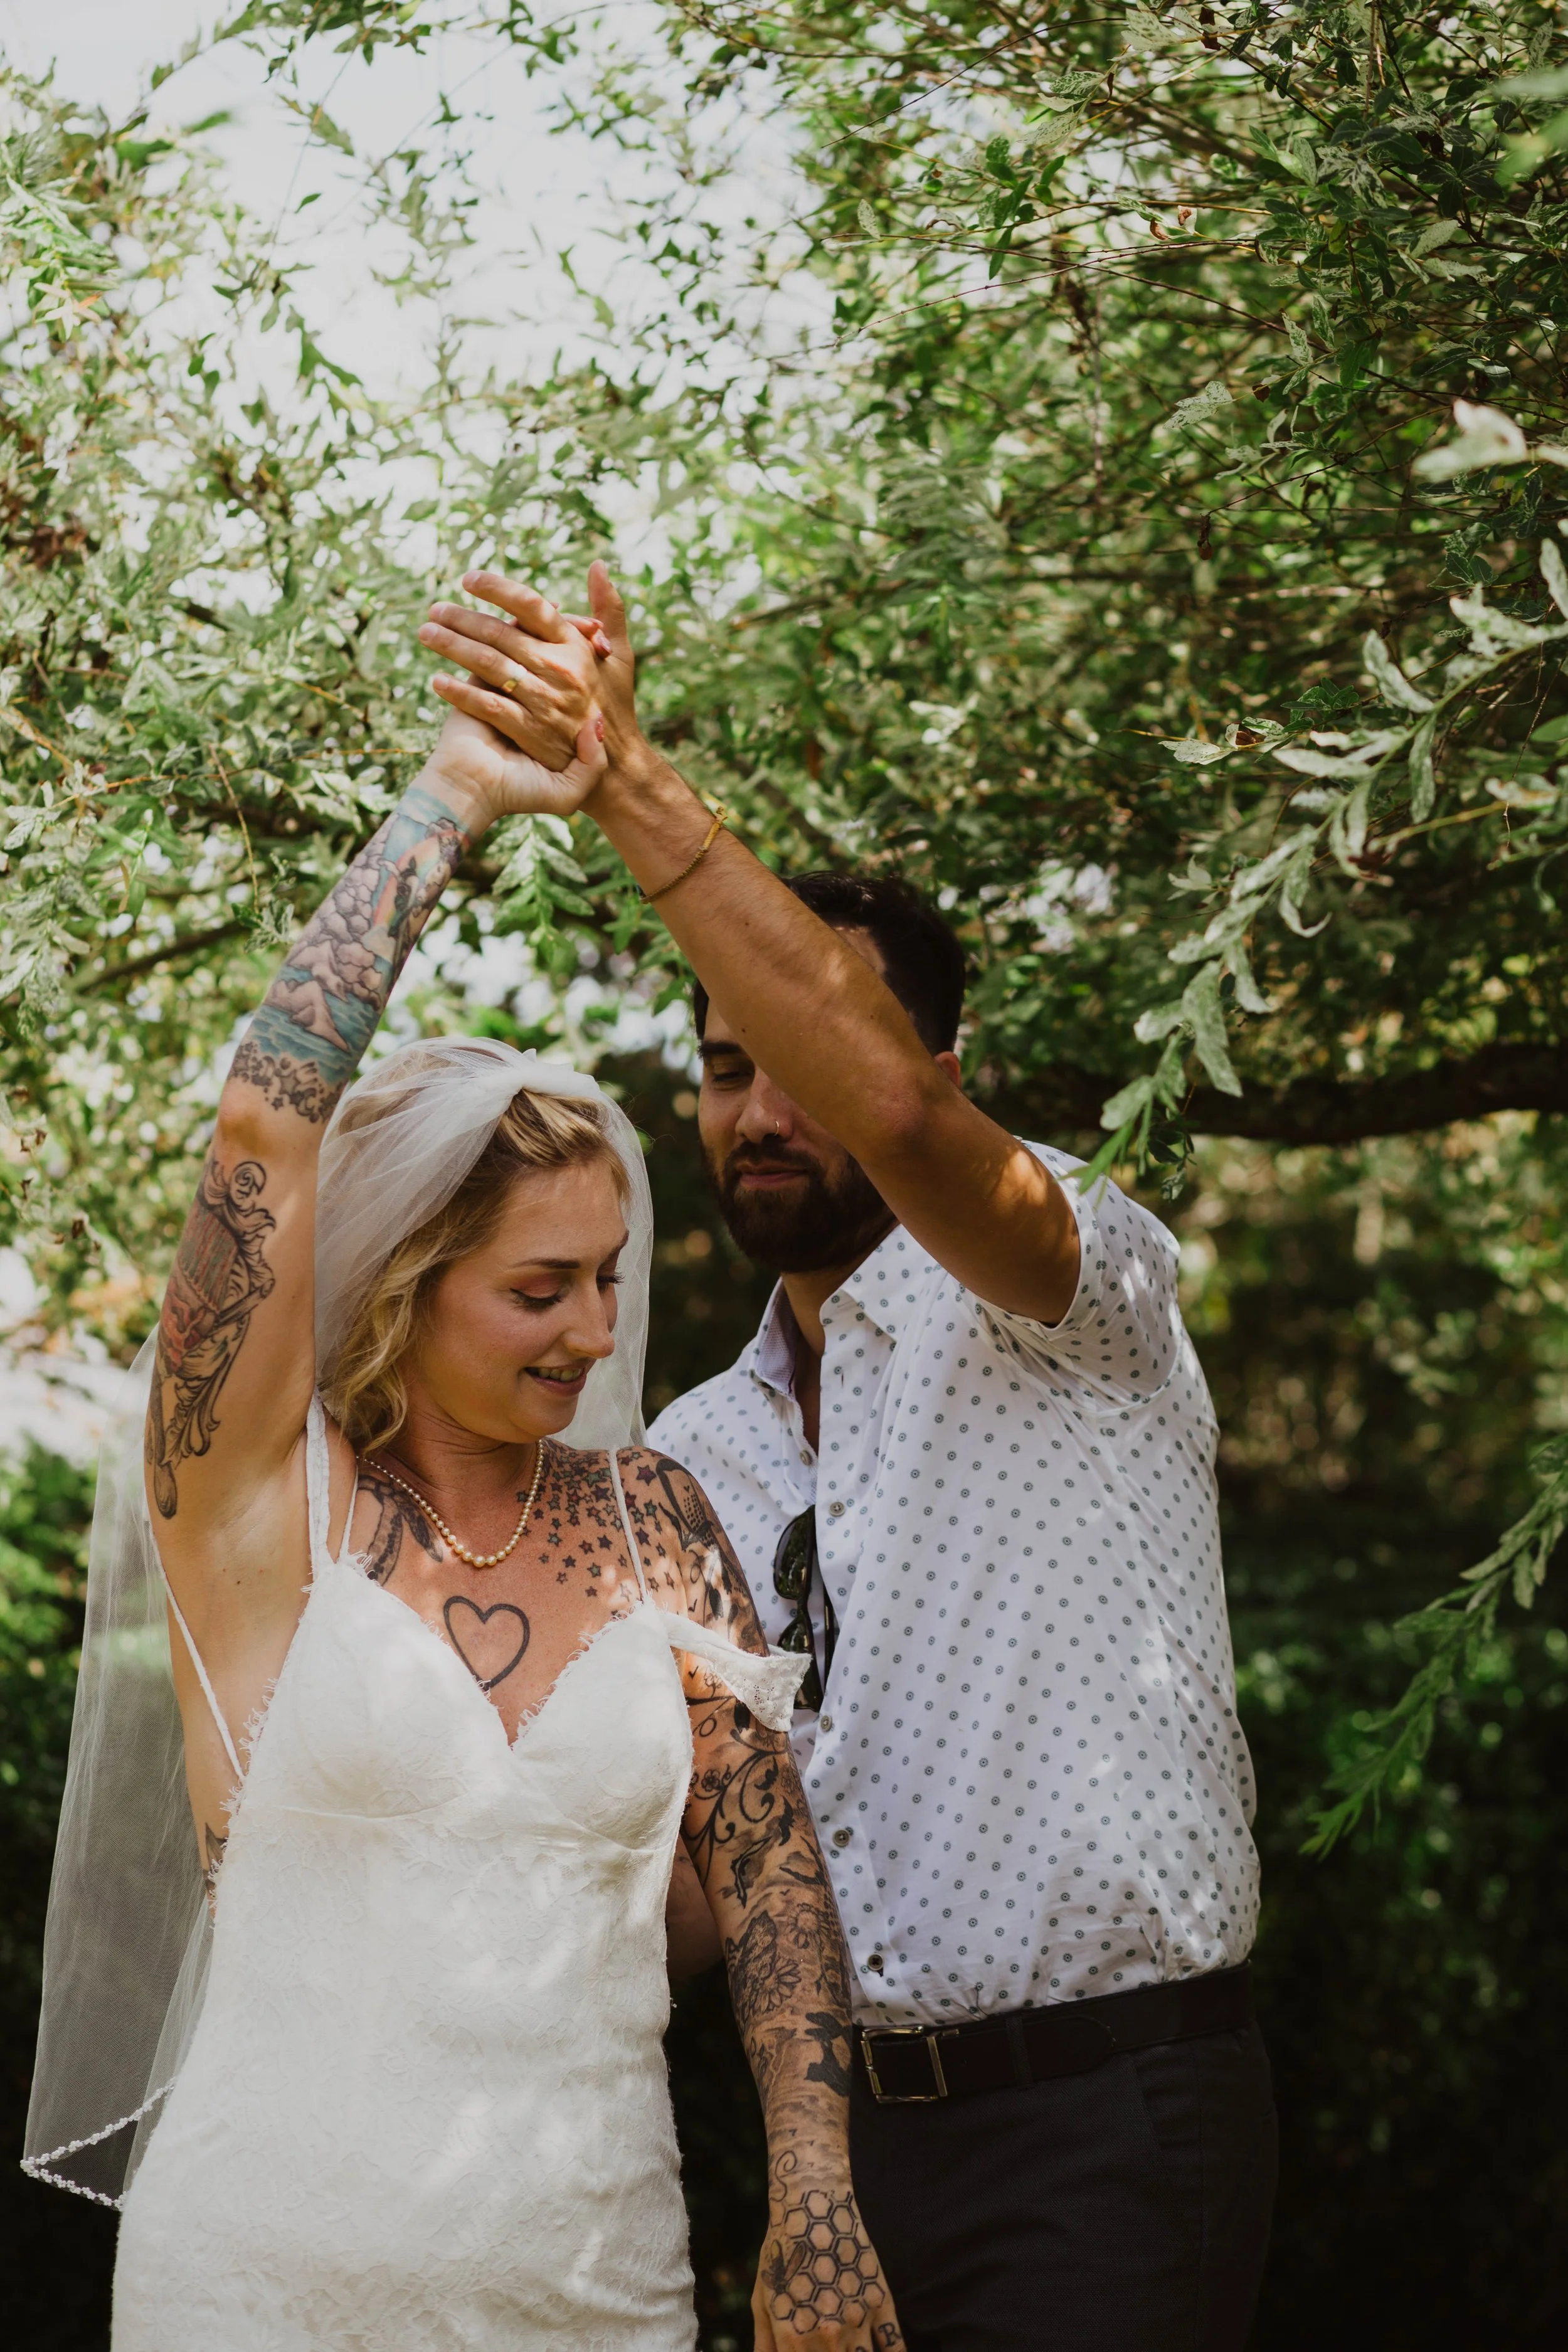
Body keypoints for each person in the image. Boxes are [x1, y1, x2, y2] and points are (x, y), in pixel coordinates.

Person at [423, 566, 1278, 2351]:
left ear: (938, 1066)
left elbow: (893, 1116)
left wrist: (623, 776)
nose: (762, 1108)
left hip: (1108, 2122)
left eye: (799, 1050)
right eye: (727, 1064)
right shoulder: (677, 1448)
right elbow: (702, 1881)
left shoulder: (1081, 1280)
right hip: (832, 2159)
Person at [23, 622, 903, 2352]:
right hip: (258, 2282)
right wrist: (461, 795)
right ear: (406, 1277)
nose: (595, 1327)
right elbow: (269, 1114)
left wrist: (814, 2189)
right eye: (538, 1286)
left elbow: (773, 1869)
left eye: (609, 1274)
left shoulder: (659, 1524)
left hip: (596, 2286)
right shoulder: (269, 1510)